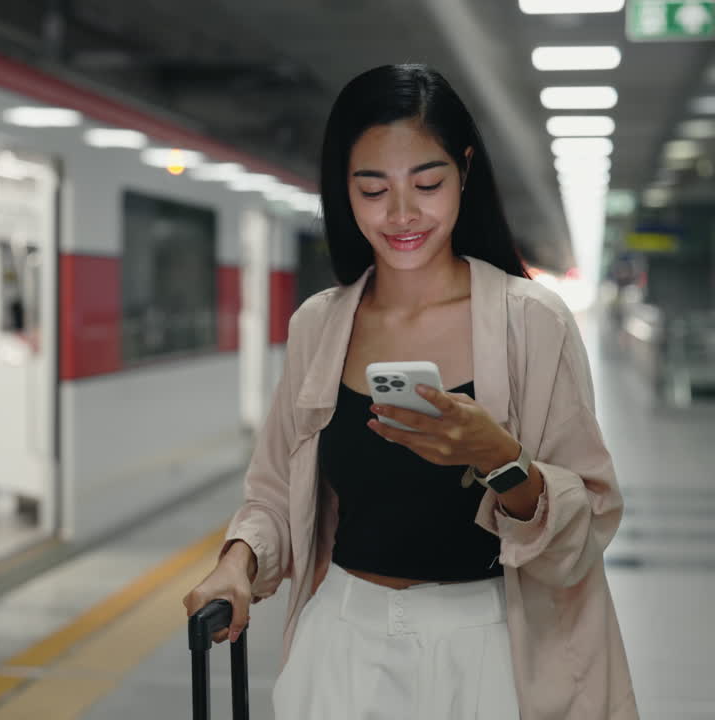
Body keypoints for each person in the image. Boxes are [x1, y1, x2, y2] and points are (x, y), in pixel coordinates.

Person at [182, 65, 637, 719]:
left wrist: (502, 460)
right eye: (372, 189)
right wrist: (238, 561)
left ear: (465, 171)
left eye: (427, 184)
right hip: (341, 640)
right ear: (344, 189)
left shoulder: (531, 321)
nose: (401, 214)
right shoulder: (321, 323)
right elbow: (276, 494)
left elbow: (590, 519)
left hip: (486, 647)